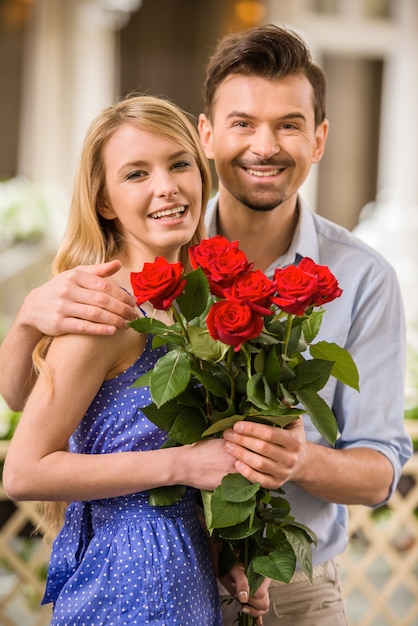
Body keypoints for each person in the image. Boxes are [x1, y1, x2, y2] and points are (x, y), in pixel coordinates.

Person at [0, 24, 413, 626]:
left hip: (275, 580)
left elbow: (380, 471)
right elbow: (37, 413)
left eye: (289, 124)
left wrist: (290, 463)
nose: (264, 145)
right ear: (209, 135)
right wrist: (25, 326)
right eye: (243, 122)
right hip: (137, 585)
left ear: (319, 138)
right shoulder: (135, 284)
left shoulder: (364, 276)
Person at [2, 94, 269, 625]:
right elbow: (23, 471)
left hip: (184, 577)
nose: (166, 186)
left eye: (178, 164)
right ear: (104, 202)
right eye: (136, 174)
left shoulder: (200, 313)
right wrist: (185, 463)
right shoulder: (105, 312)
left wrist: (225, 559)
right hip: (123, 587)